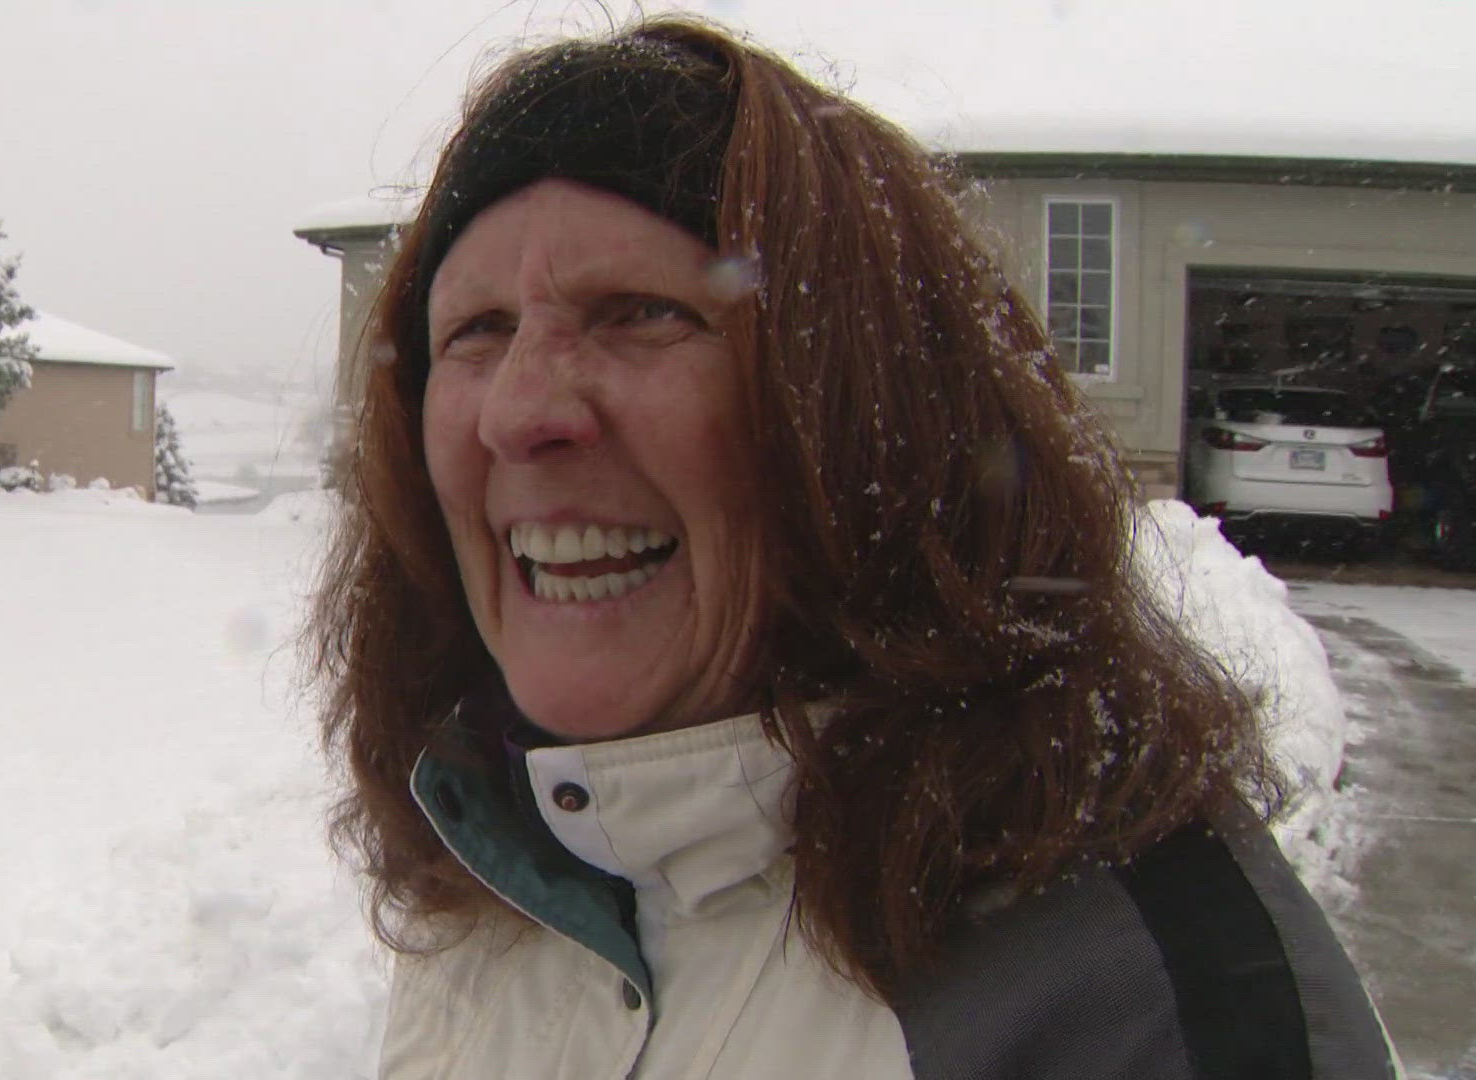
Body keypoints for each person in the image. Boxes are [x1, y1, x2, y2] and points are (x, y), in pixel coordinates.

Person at [308, 17, 1400, 1079]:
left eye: (640, 312)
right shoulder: (500, 867)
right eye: (477, 331)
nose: (519, 412)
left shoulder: (1138, 1007)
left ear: (866, 410)